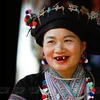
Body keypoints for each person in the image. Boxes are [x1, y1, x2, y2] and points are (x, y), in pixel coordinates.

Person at [8, 1, 100, 100]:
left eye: (67, 40)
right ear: (43, 47)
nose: (59, 49)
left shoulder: (97, 81)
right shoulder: (27, 86)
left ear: (82, 46)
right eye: (51, 41)